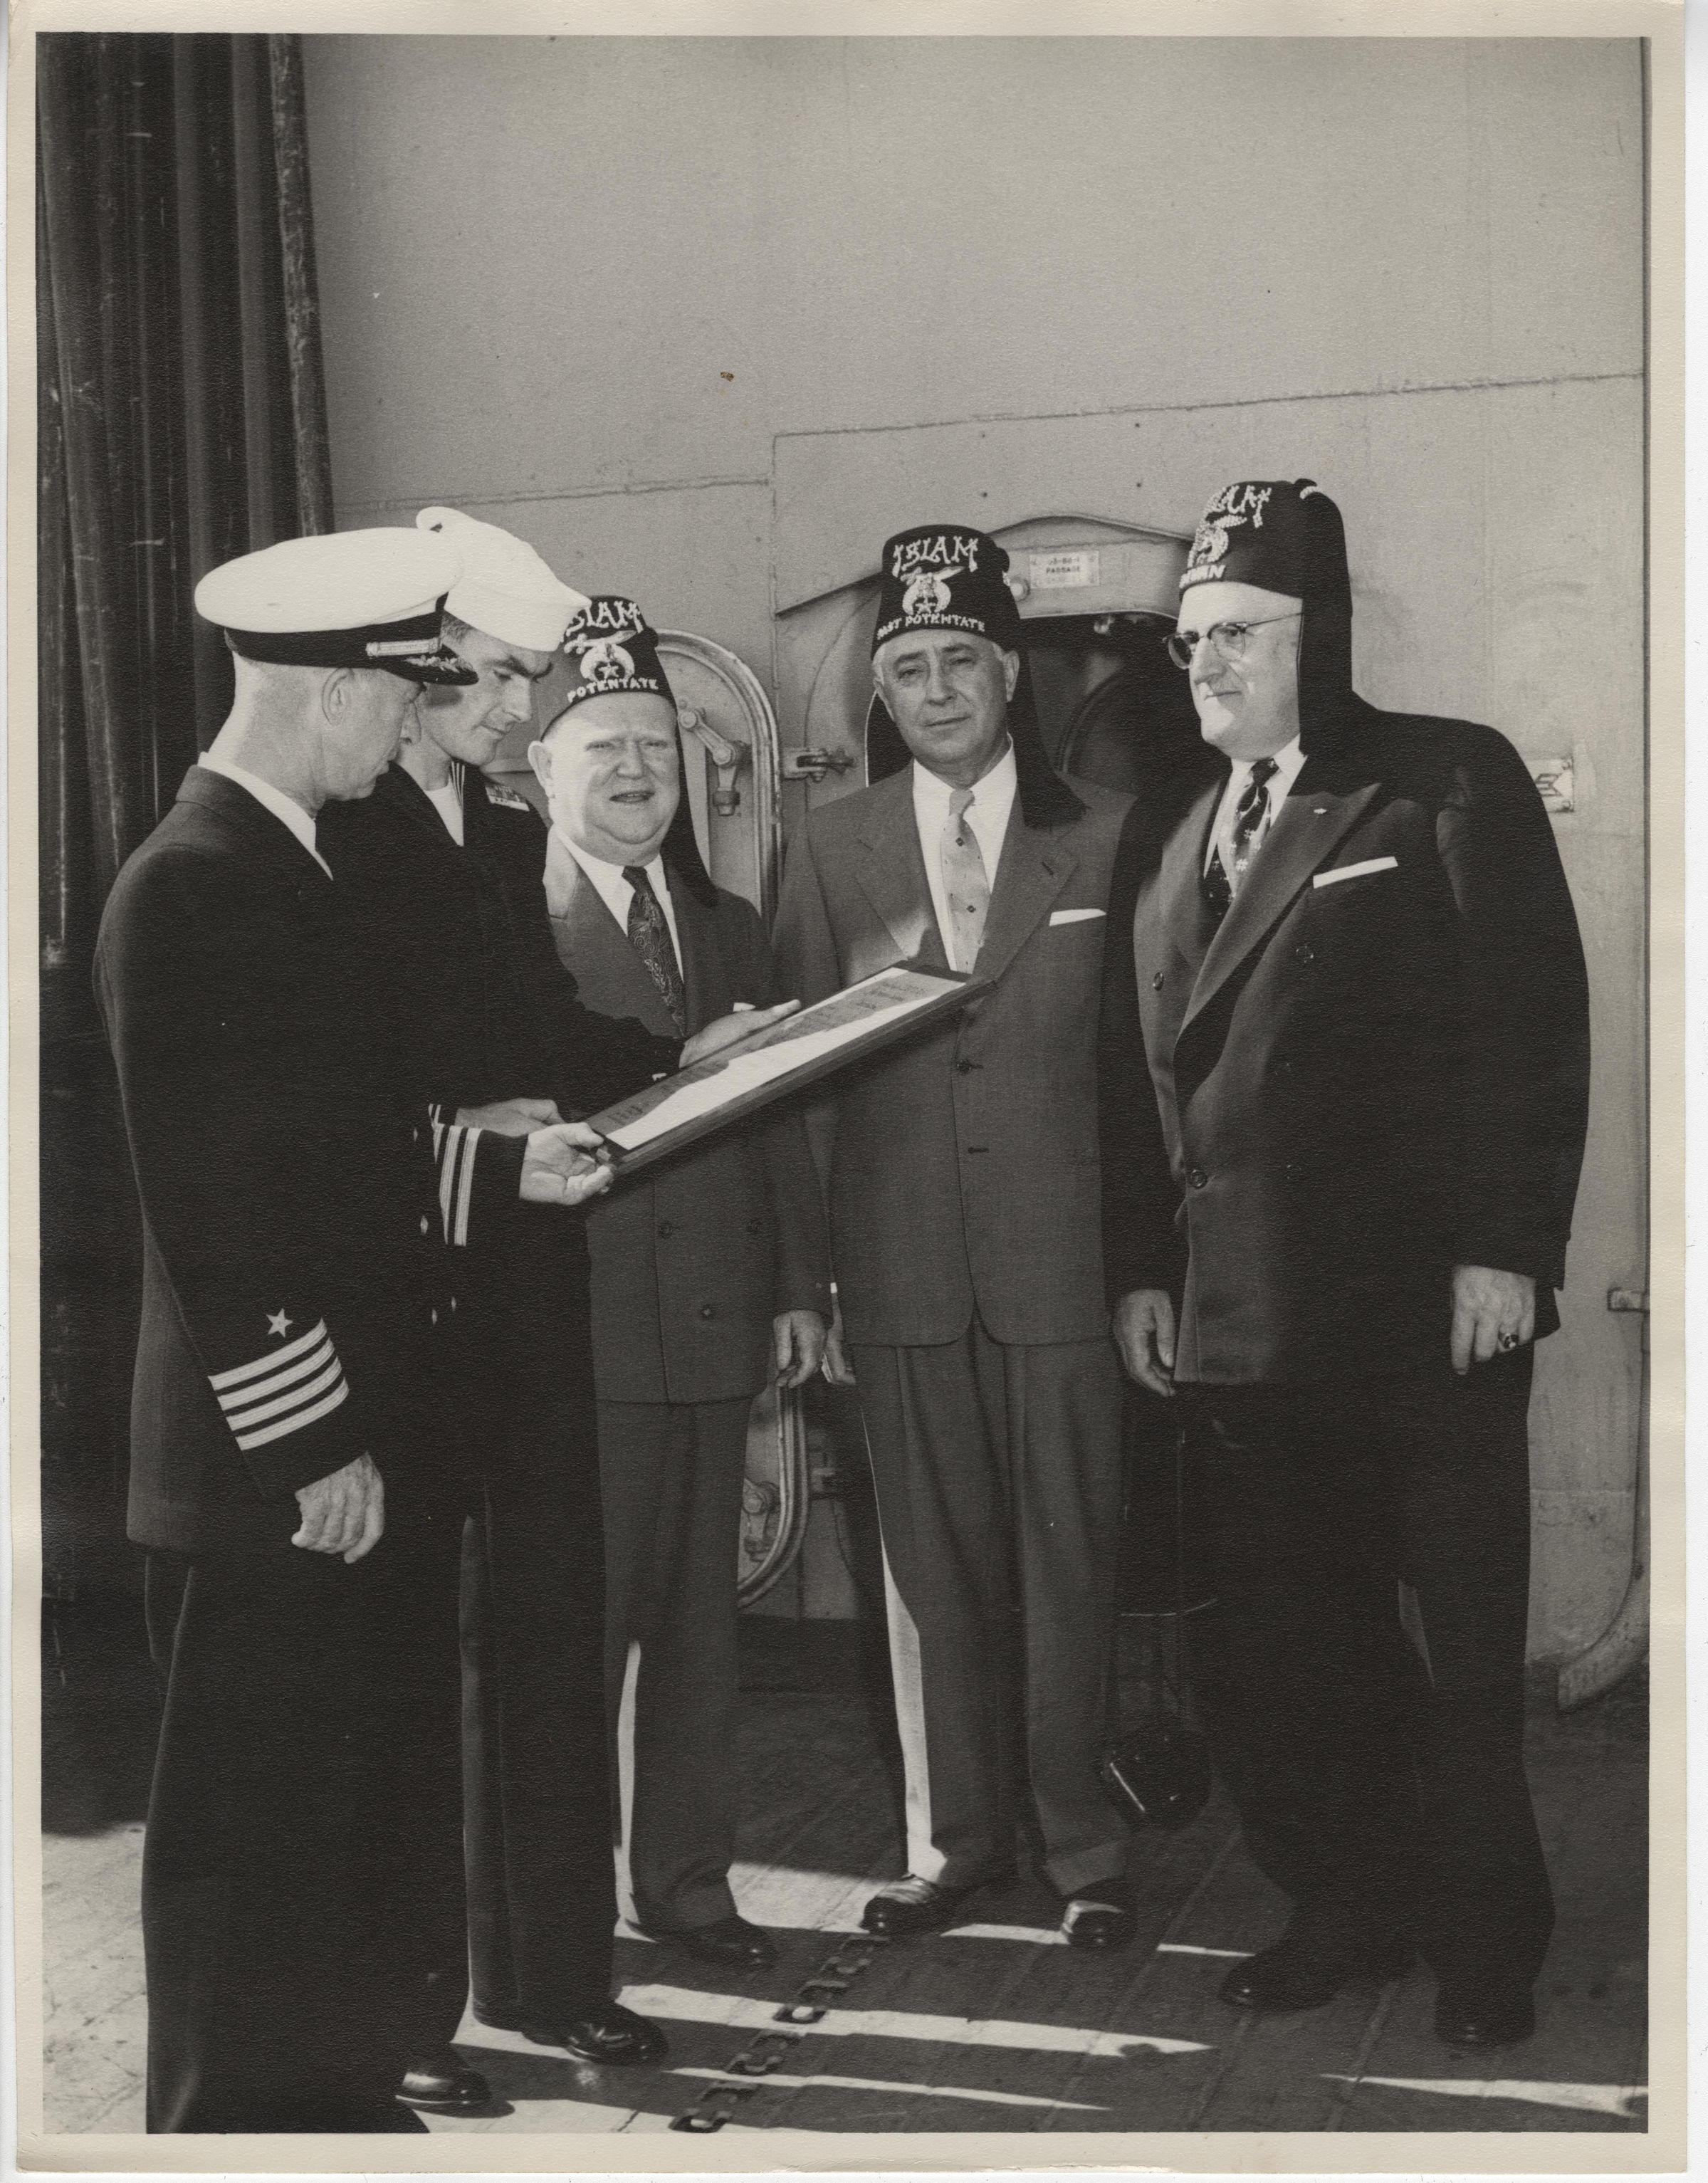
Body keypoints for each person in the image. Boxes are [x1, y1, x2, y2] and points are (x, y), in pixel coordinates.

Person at [94, 529, 611, 2132]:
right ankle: (235, 2131)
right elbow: (216, 1211)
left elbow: (352, 1144)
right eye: (398, 703)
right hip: (277, 1459)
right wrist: (317, 1444)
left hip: (348, 1433)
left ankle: (320, 2108)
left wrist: (500, 1160)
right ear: (330, 696)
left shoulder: (290, 862)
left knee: (334, 1823)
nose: (412, 734)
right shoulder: (194, 883)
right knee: (252, 1848)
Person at [1100, 478, 1591, 2051]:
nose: (1209, 666)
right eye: (1191, 641)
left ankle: (1488, 1937)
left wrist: (1505, 1250)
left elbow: (1529, 1030)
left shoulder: (1438, 779)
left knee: (1452, 1646)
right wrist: (1141, 1269)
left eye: (1238, 635)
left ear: (1324, 636)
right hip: (1240, 1325)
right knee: (1295, 1656)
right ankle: (1348, 1900)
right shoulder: (1172, 819)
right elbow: (1137, 1079)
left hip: (1417, 1316)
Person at [319, 515, 792, 2092]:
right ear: (420, 672)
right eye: (500, 687)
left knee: (539, 1657)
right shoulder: (353, 832)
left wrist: (680, 1061)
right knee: (441, 1676)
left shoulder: (489, 839)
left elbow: (539, 1026)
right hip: (423, 1299)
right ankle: (418, 2011)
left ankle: (552, 1977)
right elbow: (348, 1101)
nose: (519, 720)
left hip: (521, 1304)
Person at [771, 525, 1139, 1949]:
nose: (935, 690)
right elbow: (793, 1085)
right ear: (883, 689)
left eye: (960, 662)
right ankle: (955, 1843)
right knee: (926, 1578)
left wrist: (1139, 1274)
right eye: (907, 668)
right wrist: (809, 1280)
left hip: (1064, 1276)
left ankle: (1083, 1852)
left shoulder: (1106, 828)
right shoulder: (830, 843)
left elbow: (1139, 1068)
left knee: (1067, 1564)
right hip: (903, 1272)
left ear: (1008, 673)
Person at [515, 597, 831, 1970]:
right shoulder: (502, 922)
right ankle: (555, 1912)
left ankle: (691, 1884)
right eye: (606, 746)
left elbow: (770, 1123)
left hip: (711, 1323)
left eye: (659, 743)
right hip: (572, 1335)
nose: (641, 770)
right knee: (571, 1649)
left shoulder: (732, 920)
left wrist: (795, 1288)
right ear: (542, 771)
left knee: (704, 1629)